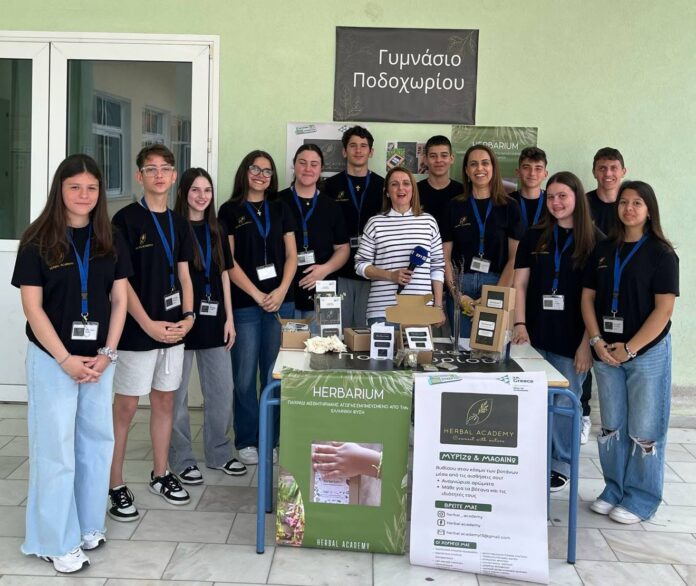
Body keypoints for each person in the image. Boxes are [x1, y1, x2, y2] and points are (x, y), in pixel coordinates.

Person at [12, 154, 130, 572]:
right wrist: (64, 359)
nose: (84, 195)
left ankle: (87, 524)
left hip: (99, 361)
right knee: (56, 450)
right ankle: (53, 540)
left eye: (91, 188)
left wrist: (107, 354)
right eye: (75, 187)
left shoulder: (110, 238)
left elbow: (120, 300)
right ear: (59, 190)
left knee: (96, 444)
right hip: (53, 361)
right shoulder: (37, 240)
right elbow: (33, 308)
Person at [581, 180, 678, 524]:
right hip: (606, 351)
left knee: (644, 428)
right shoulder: (604, 249)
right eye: (624, 202)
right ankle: (614, 489)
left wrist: (631, 349)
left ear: (649, 210)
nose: (629, 208)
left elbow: (664, 310)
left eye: (637, 203)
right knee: (612, 426)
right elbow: (588, 298)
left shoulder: (662, 254)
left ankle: (642, 498)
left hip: (645, 354)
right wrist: (596, 341)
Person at [109, 144, 195, 522]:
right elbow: (121, 282)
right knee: (126, 408)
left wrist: (189, 316)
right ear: (139, 176)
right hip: (137, 330)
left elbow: (185, 275)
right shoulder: (125, 220)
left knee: (164, 402)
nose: (159, 175)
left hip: (173, 328)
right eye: (150, 169)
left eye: (165, 169)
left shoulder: (179, 222)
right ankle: (114, 483)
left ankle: (161, 474)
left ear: (174, 176)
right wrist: (145, 323)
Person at [512, 171, 600, 491]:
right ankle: (534, 460)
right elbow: (520, 284)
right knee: (532, 401)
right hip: (534, 335)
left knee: (565, 403)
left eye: (563, 196)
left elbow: (597, 299)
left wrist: (587, 344)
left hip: (572, 340)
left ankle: (561, 464)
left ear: (577, 197)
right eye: (550, 197)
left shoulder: (596, 241)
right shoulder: (534, 236)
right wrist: (520, 324)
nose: (556, 202)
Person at [218, 151, 297, 466]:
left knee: (274, 374)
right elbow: (228, 261)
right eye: (255, 168)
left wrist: (281, 290)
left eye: (267, 170)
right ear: (245, 171)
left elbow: (291, 256)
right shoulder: (229, 210)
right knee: (244, 377)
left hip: (280, 303)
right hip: (245, 306)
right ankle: (247, 439)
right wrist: (256, 293)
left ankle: (272, 439)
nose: (261, 175)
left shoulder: (281, 208)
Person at [169, 168, 247, 485]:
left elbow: (225, 273)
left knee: (221, 391)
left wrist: (230, 318)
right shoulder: (174, 227)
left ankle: (219, 453)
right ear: (183, 192)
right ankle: (182, 459)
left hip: (215, 321)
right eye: (195, 190)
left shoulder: (217, 228)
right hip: (181, 321)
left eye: (207, 190)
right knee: (176, 397)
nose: (202, 196)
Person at [442, 144, 525, 338]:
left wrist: (495, 296)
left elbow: (515, 258)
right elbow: (444, 257)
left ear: (493, 167)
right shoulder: (454, 206)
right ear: (466, 170)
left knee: (491, 349)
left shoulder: (510, 206)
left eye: (485, 163)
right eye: (473, 164)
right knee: (461, 348)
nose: (479, 168)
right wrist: (457, 294)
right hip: (461, 286)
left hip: (498, 283)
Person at [580, 147, 628, 443]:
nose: (608, 174)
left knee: (620, 356)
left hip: (621, 295)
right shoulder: (583, 205)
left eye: (613, 168)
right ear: (594, 171)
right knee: (584, 352)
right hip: (588, 289)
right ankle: (583, 414)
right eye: (602, 168)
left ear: (623, 171)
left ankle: (621, 422)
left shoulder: (631, 204)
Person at [354, 166, 445, 323]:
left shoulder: (429, 222)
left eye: (406, 183)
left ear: (413, 190)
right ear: (387, 192)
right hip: (383, 312)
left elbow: (437, 267)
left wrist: (437, 306)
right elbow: (360, 265)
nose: (401, 188)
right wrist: (391, 276)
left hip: (421, 311)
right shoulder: (375, 223)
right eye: (394, 184)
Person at [278, 145, 349, 328]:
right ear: (294, 165)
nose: (308, 169)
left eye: (314, 164)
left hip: (323, 292)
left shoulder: (332, 206)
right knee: (286, 345)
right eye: (302, 163)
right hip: (285, 293)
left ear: (321, 168)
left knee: (322, 344)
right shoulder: (277, 202)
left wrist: (325, 270)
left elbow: (343, 248)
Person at [324, 126, 384, 328]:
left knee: (366, 332)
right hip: (338, 270)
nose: (358, 150)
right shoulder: (329, 186)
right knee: (337, 331)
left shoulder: (383, 186)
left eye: (363, 146)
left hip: (372, 271)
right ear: (344, 151)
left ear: (371, 152)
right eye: (353, 146)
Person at [416, 135, 464, 233]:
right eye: (433, 156)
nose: (438, 160)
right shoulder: (414, 191)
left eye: (444, 155)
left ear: (451, 159)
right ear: (425, 160)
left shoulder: (463, 192)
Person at [509, 146, 549, 230]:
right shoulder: (507, 201)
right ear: (518, 172)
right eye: (526, 167)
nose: (532, 173)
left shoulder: (552, 201)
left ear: (545, 174)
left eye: (538, 168)